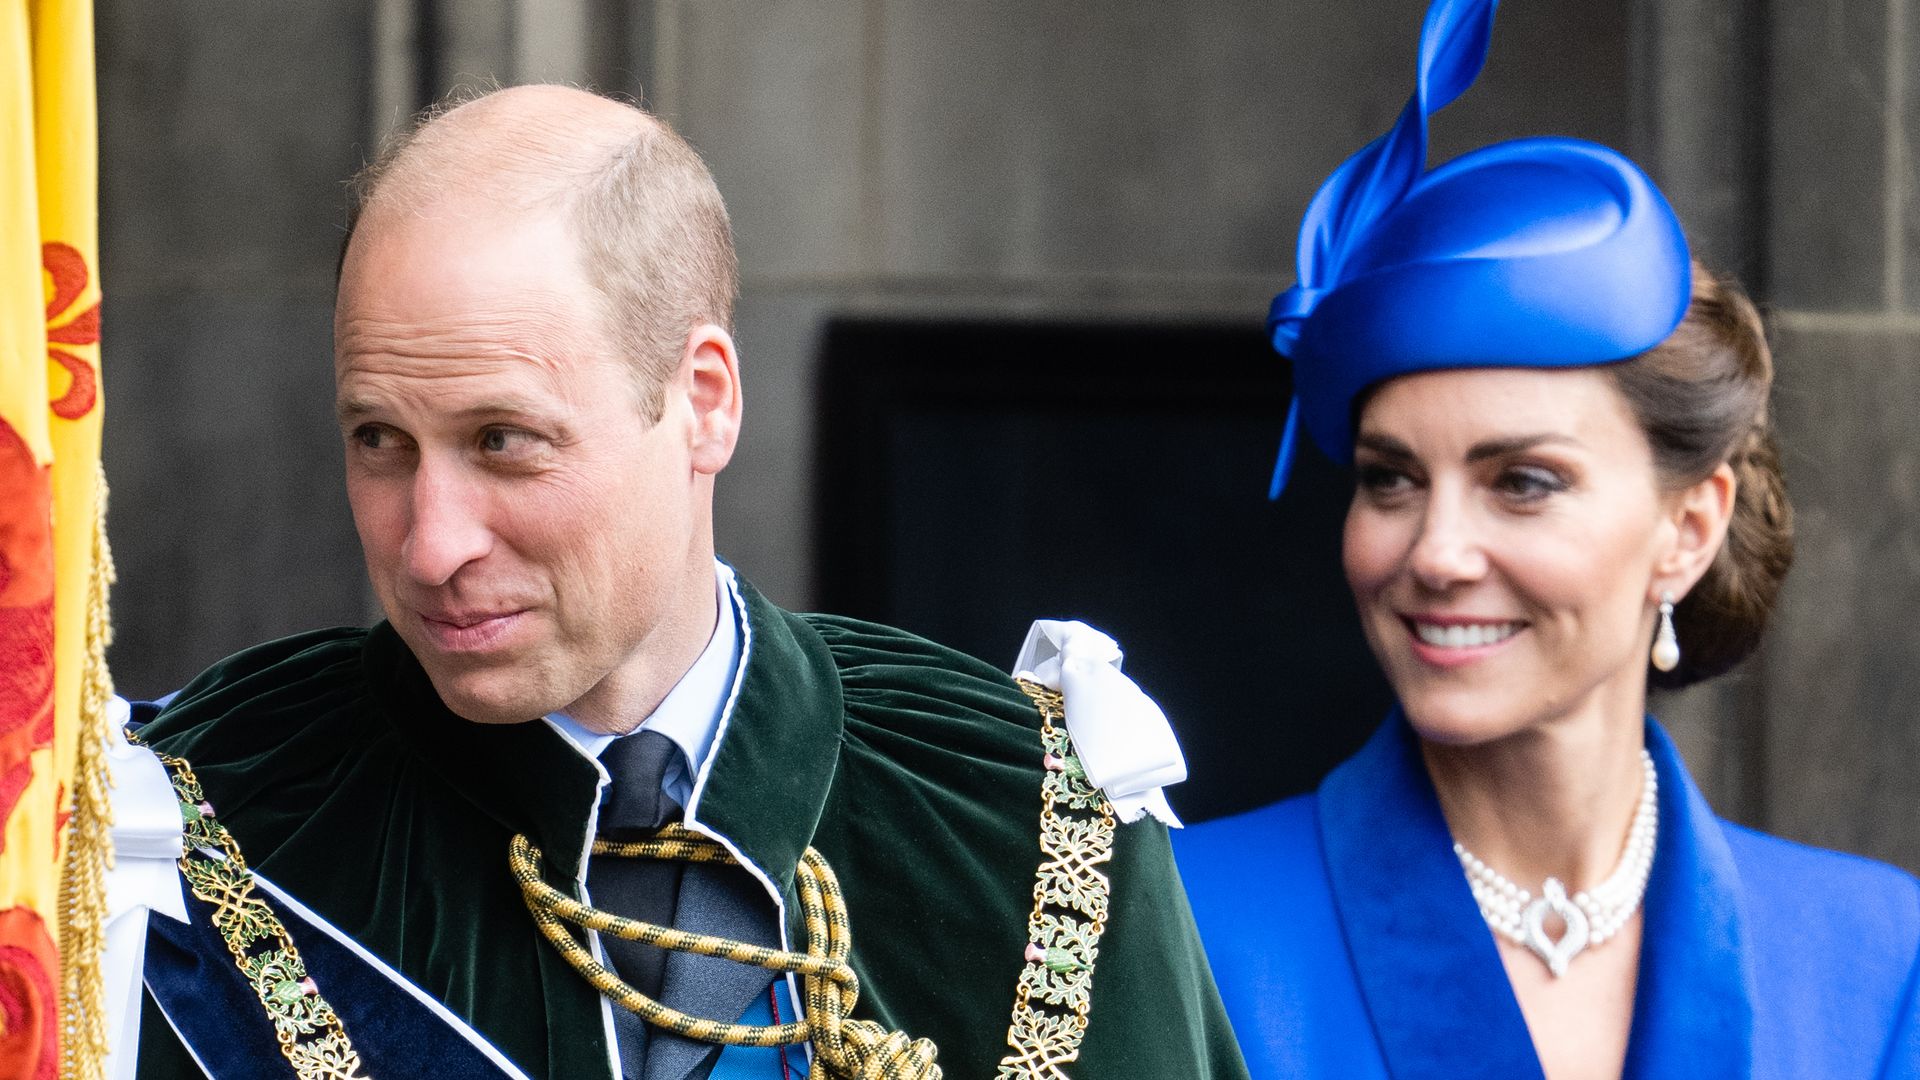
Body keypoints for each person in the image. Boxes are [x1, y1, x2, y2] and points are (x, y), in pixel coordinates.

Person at [108, 85, 1246, 1080]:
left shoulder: (1022, 812)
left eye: (503, 439)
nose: (428, 545)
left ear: (704, 400)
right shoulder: (192, 828)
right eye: (379, 441)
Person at [1174, 1, 1920, 1078]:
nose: (1435, 552)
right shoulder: (1177, 929)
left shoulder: (1870, 962)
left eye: (1522, 483)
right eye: (1391, 479)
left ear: (1688, 528)